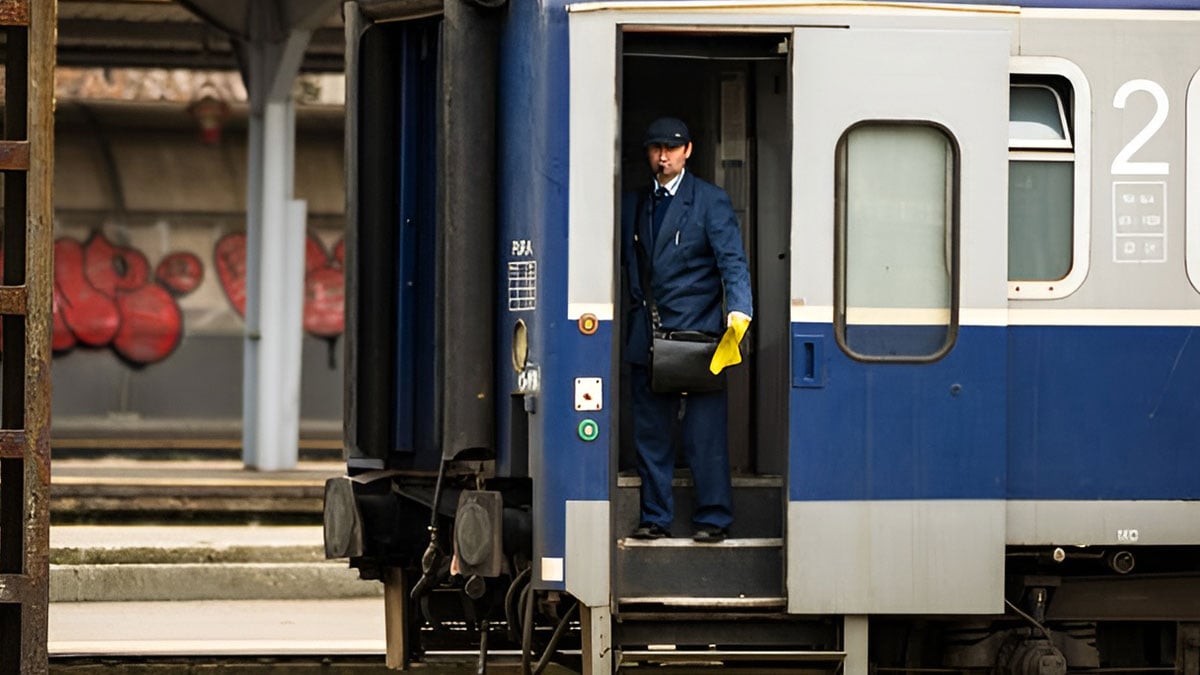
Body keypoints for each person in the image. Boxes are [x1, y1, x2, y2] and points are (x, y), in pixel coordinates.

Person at [621, 117, 753, 543]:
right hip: (649, 334)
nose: (664, 156)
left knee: (705, 437)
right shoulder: (633, 204)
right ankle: (655, 517)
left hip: (699, 336)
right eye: (656, 148)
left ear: (688, 151)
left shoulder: (710, 201)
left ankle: (713, 518)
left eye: (672, 148)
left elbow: (732, 261)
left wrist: (739, 312)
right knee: (652, 434)